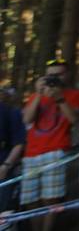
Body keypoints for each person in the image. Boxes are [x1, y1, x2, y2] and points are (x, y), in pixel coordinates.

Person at [18, 62, 79, 231]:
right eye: (50, 75)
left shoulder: (74, 95)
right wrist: (39, 94)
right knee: (30, 200)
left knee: (51, 199)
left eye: (59, 74)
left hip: (56, 150)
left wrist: (59, 97)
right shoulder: (35, 96)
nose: (54, 78)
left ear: (67, 75)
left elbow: (74, 120)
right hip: (31, 153)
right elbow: (26, 120)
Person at [0, 87, 25, 216]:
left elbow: (19, 143)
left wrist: (6, 165)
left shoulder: (11, 112)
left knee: (4, 211)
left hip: (4, 171)